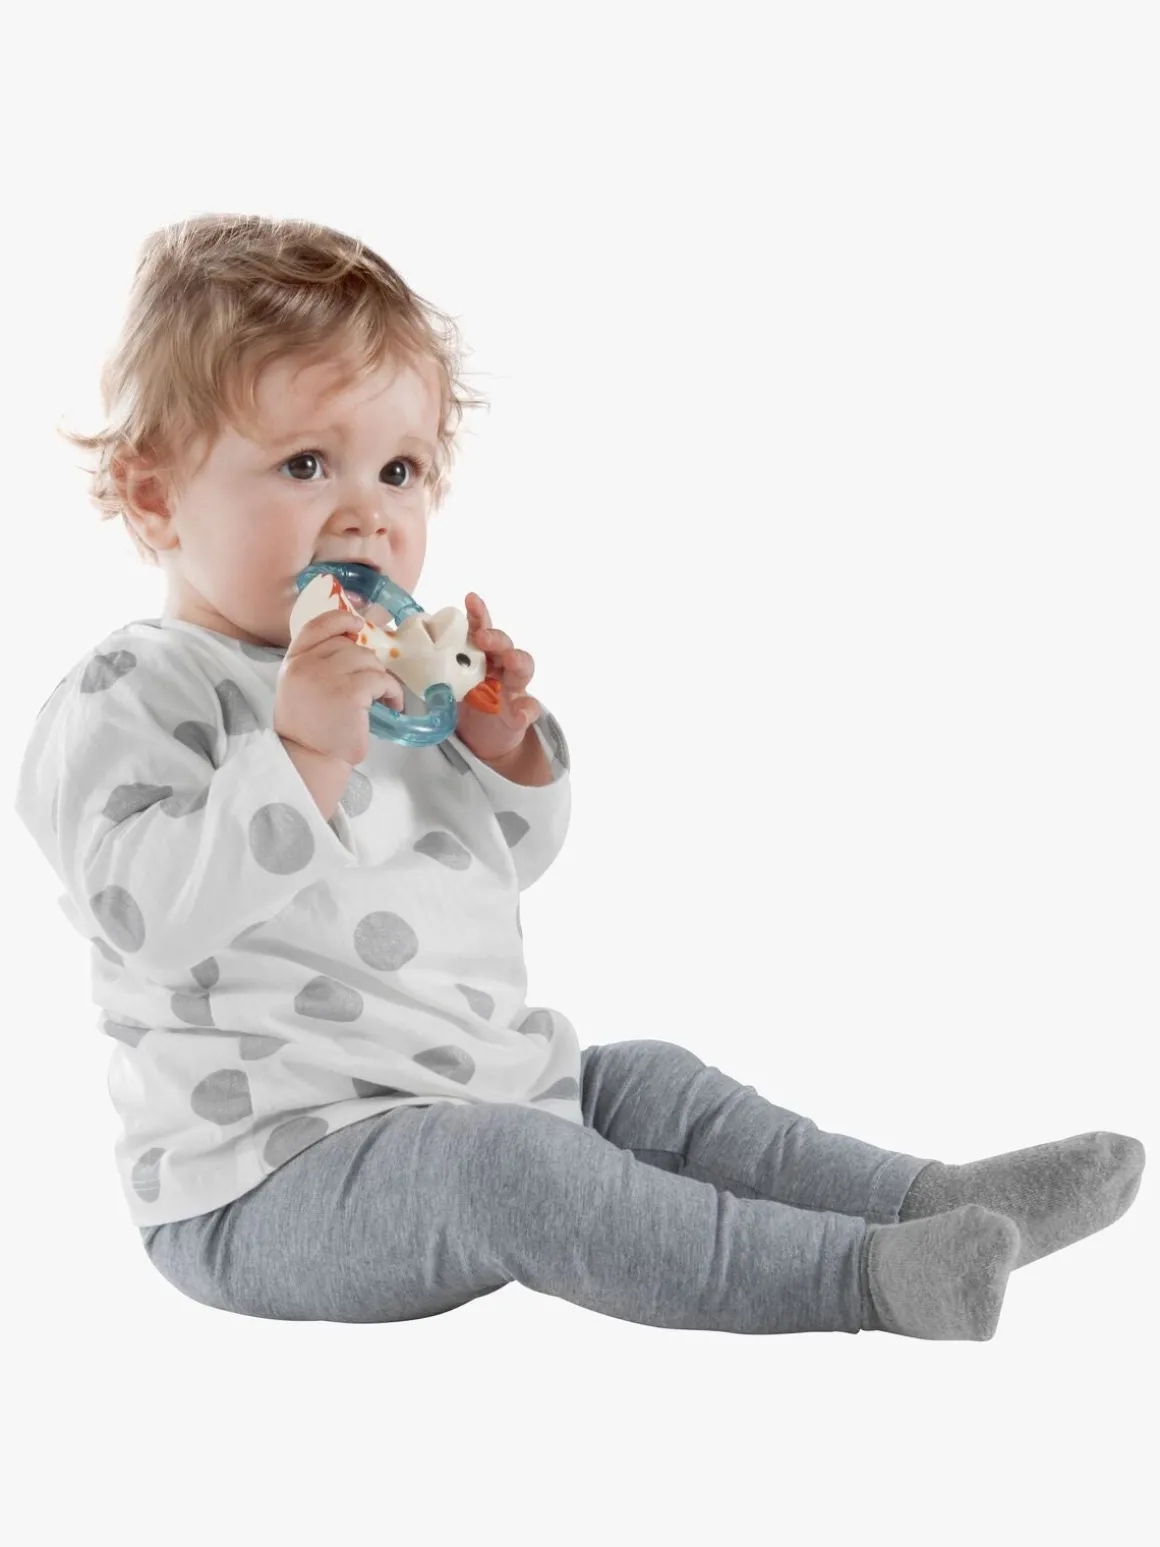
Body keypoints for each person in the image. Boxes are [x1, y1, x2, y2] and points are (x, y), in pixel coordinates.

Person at [13, 214, 1144, 1340]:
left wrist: (502, 751)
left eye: (400, 470)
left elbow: (502, 861)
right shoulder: (135, 687)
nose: (367, 514)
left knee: (645, 1083)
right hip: (266, 1176)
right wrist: (298, 754)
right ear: (155, 492)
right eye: (305, 464)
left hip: (479, 1090)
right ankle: (867, 1278)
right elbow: (145, 914)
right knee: (504, 1165)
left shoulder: (387, 677)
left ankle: (922, 1200)